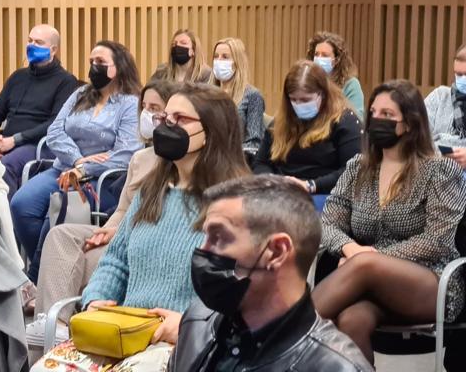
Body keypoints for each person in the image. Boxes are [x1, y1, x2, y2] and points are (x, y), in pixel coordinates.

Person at [30, 83, 251, 371]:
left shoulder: (237, 203)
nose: (166, 126)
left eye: (180, 120)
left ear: (212, 131)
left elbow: (246, 294)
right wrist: (96, 298)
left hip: (186, 341)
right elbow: (115, 261)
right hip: (125, 333)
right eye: (165, 118)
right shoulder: (152, 191)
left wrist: (190, 324)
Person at [312, 79, 466, 365]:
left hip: (431, 281)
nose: (376, 120)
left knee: (366, 264)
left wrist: (369, 259)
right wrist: (350, 249)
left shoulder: (439, 170)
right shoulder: (358, 167)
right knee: (351, 320)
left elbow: (437, 242)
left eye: (387, 115)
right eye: (373, 113)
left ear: (409, 123)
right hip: (366, 282)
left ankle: (280, 333)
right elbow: (327, 223)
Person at [25, 80, 179, 346]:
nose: (147, 113)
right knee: (60, 235)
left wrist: (117, 233)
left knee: (77, 263)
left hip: (140, 240)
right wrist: (109, 229)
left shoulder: (177, 162)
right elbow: (123, 209)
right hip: (117, 230)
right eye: (145, 107)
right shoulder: (140, 159)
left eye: (156, 108)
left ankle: (56, 330)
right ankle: (54, 327)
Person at [169, 175, 373, 371]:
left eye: (219, 237)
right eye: (205, 236)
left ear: (276, 251)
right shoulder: (197, 323)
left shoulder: (336, 367)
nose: (202, 251)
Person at [11, 40, 142, 283]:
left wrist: (86, 169)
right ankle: (49, 270)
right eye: (92, 62)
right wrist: (79, 159)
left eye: (101, 63)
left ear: (119, 67)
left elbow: (126, 154)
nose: (94, 67)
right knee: (21, 204)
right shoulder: (80, 94)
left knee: (57, 212)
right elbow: (54, 132)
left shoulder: (130, 103)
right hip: (64, 170)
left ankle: (37, 282)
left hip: (100, 181)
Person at [251, 60, 362, 211]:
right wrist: (273, 181)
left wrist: (311, 185)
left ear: (322, 94)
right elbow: (260, 162)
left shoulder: (344, 121)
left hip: (324, 193)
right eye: (293, 99)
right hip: (282, 191)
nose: (298, 104)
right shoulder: (281, 122)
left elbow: (352, 171)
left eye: (305, 100)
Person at [0, 24, 79, 200]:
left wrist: (14, 140)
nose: (31, 45)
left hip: (39, 145)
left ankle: (9, 223)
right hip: (6, 141)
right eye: (30, 41)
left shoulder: (66, 81)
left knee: (6, 166)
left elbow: (53, 124)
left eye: (38, 42)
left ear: (53, 50)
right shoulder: (17, 77)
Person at [209, 37, 266, 150]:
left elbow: (254, 143)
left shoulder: (252, 96)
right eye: (216, 57)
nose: (219, 61)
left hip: (237, 160)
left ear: (237, 63)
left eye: (225, 57)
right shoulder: (207, 93)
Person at [306, 31, 365, 119]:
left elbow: (357, 118)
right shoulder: (308, 81)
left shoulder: (350, 84)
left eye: (325, 55)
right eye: (316, 54)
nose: (319, 58)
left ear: (336, 60)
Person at [425, 42, 466, 168]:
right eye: (458, 74)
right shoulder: (439, 97)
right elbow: (414, 138)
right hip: (434, 171)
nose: (462, 79)